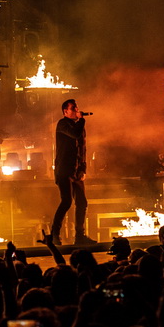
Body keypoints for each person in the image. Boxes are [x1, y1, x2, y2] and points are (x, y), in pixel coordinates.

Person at [50, 99, 96, 246]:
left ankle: (80, 236)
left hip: (76, 171)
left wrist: (83, 168)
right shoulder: (62, 124)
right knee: (67, 201)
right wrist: (81, 120)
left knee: (82, 202)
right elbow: (75, 134)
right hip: (64, 170)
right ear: (65, 112)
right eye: (74, 108)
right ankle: (54, 234)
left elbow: (83, 149)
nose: (77, 110)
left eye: (77, 108)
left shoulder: (79, 126)